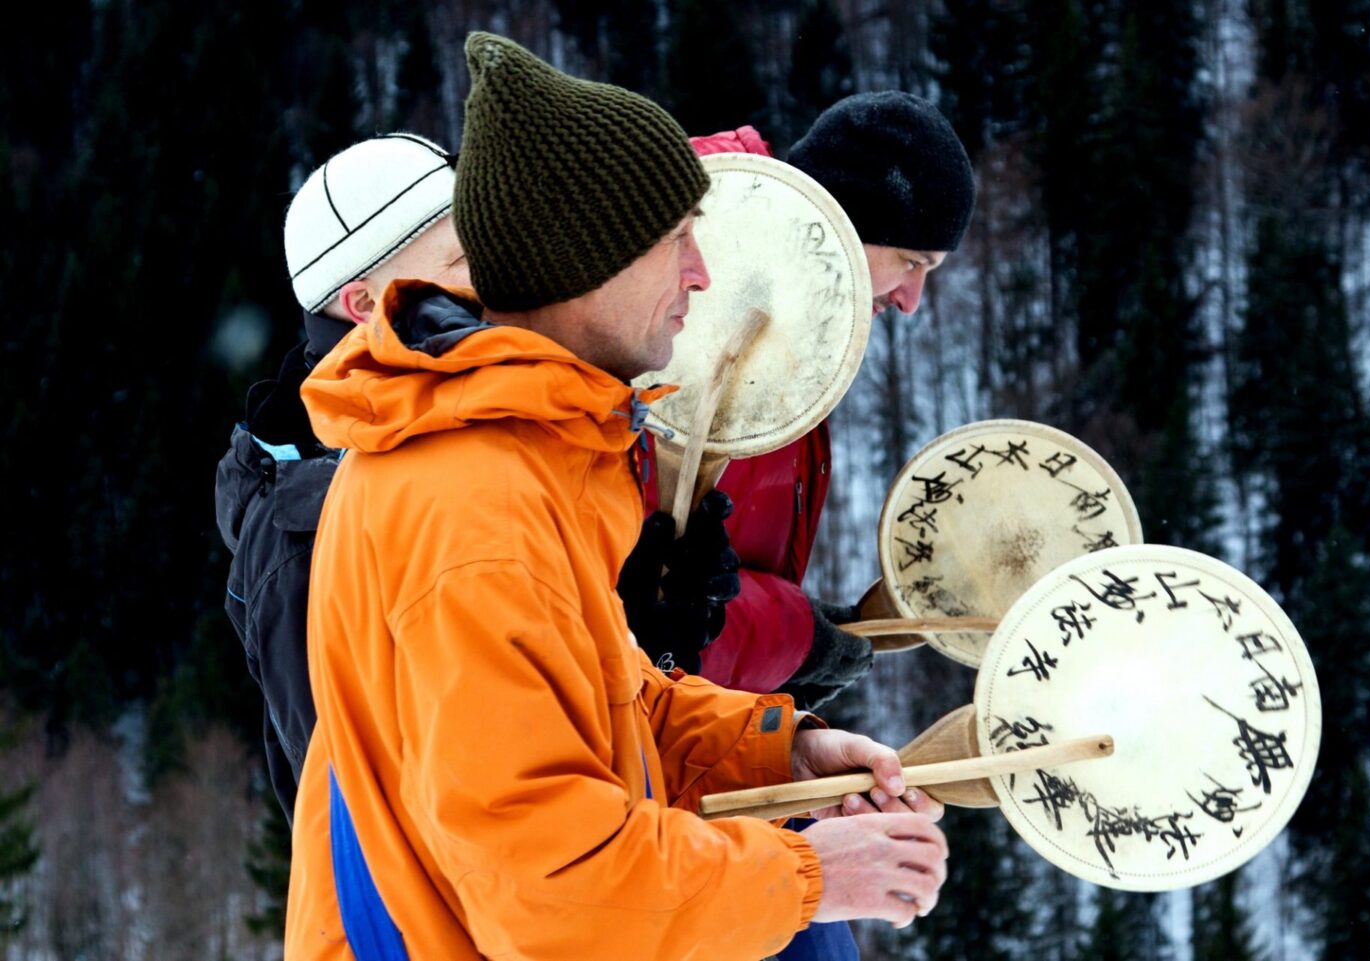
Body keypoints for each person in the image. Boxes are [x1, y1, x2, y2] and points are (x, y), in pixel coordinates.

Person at [284, 32, 949, 961]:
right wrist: (811, 878)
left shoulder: (534, 453)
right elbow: (548, 888)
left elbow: (605, 705)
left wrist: (776, 751)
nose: (702, 275)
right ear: (583, 261)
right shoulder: (475, 509)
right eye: (676, 240)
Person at [624, 94, 977, 712]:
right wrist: (795, 638)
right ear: (848, 223)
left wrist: (785, 650)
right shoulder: (692, 295)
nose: (912, 299)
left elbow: (700, 587)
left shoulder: (788, 321)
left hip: (683, 720)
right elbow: (641, 592)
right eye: (911, 262)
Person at [215, 133, 470, 822]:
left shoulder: (452, 430)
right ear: (362, 303)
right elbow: (373, 812)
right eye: (458, 258)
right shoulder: (302, 531)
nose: (486, 278)